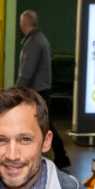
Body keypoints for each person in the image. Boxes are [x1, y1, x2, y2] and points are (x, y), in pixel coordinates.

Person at [16, 10, 69, 169]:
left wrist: (15, 90)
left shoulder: (34, 42)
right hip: (41, 90)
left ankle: (60, 156)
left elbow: (27, 71)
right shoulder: (38, 39)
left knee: (43, 126)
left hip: (36, 91)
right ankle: (59, 156)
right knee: (42, 126)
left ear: (24, 23)